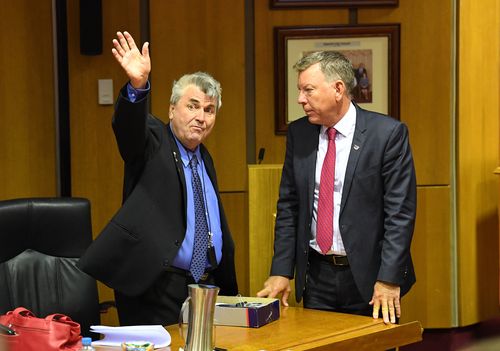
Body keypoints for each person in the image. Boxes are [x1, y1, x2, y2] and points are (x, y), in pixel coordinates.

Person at [78, 31, 238, 326]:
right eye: (192, 106)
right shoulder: (153, 141)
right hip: (157, 287)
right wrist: (137, 86)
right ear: (171, 109)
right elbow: (128, 128)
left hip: (206, 285)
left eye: (209, 110)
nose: (201, 117)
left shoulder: (205, 158)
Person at [257, 51, 416, 325]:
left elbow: (399, 214)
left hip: (370, 277)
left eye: (308, 90)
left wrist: (388, 279)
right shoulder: (300, 134)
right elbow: (289, 206)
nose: (300, 100)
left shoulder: (387, 135)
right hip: (317, 276)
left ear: (338, 89)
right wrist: (282, 271)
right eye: (299, 90)